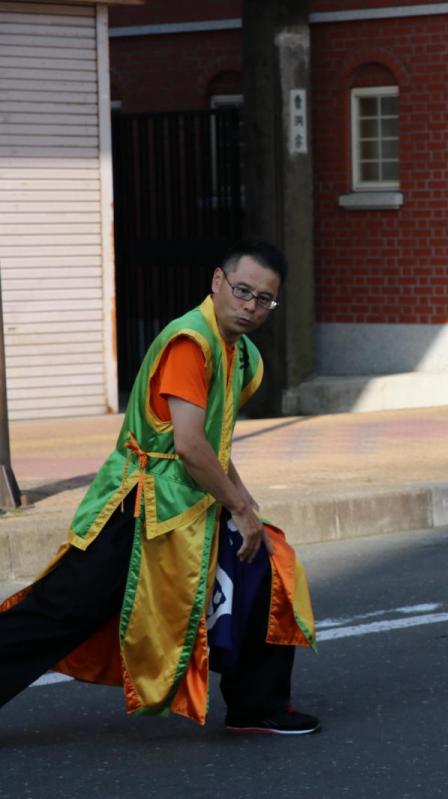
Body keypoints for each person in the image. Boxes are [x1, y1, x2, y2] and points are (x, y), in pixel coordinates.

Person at [0, 241, 318, 734]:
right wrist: (239, 507)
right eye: (243, 291)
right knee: (65, 609)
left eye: (264, 299)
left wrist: (244, 502)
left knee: (269, 568)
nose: (251, 306)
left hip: (189, 503)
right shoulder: (191, 341)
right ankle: (258, 704)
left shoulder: (239, 353)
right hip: (139, 505)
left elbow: (214, 443)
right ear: (217, 282)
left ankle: (259, 705)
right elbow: (190, 446)